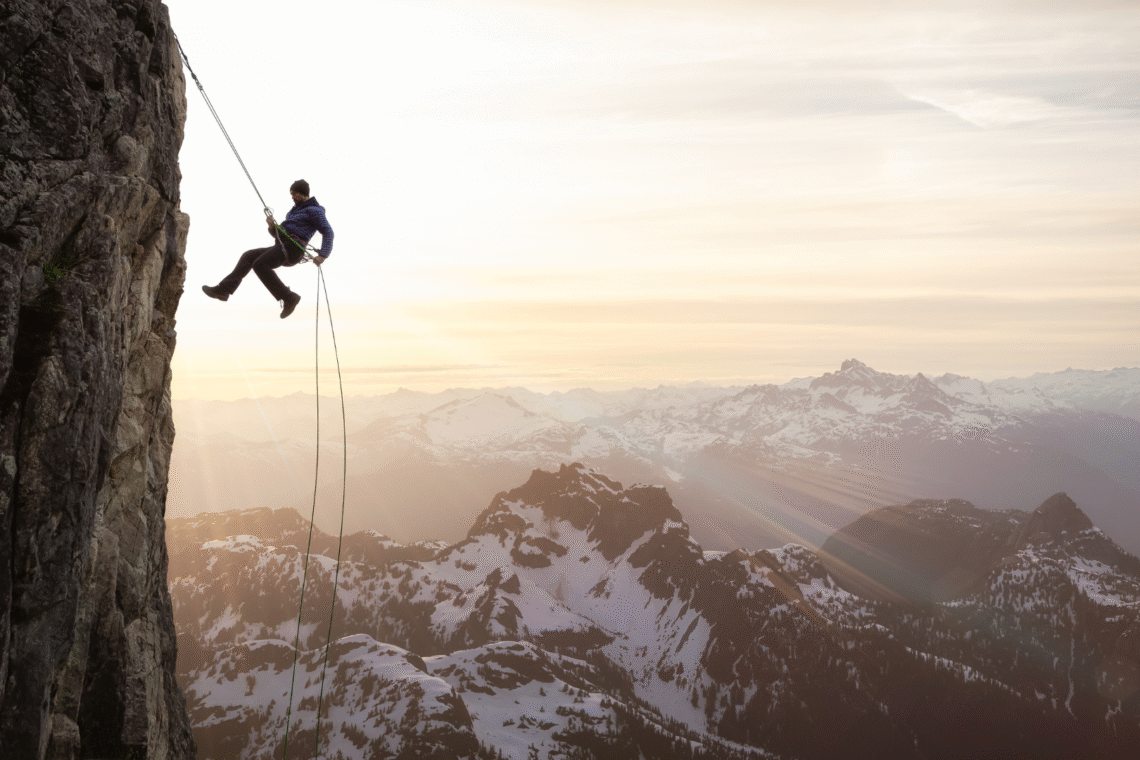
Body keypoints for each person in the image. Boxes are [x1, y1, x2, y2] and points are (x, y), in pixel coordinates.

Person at [202, 179, 334, 318]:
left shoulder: (315, 210)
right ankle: (224, 290)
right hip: (283, 246)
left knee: (260, 264)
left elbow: (328, 232)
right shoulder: (293, 212)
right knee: (248, 256)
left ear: (302, 194)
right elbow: (278, 235)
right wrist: (272, 227)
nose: (292, 197)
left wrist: (323, 255)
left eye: (294, 194)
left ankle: (289, 297)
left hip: (293, 249)